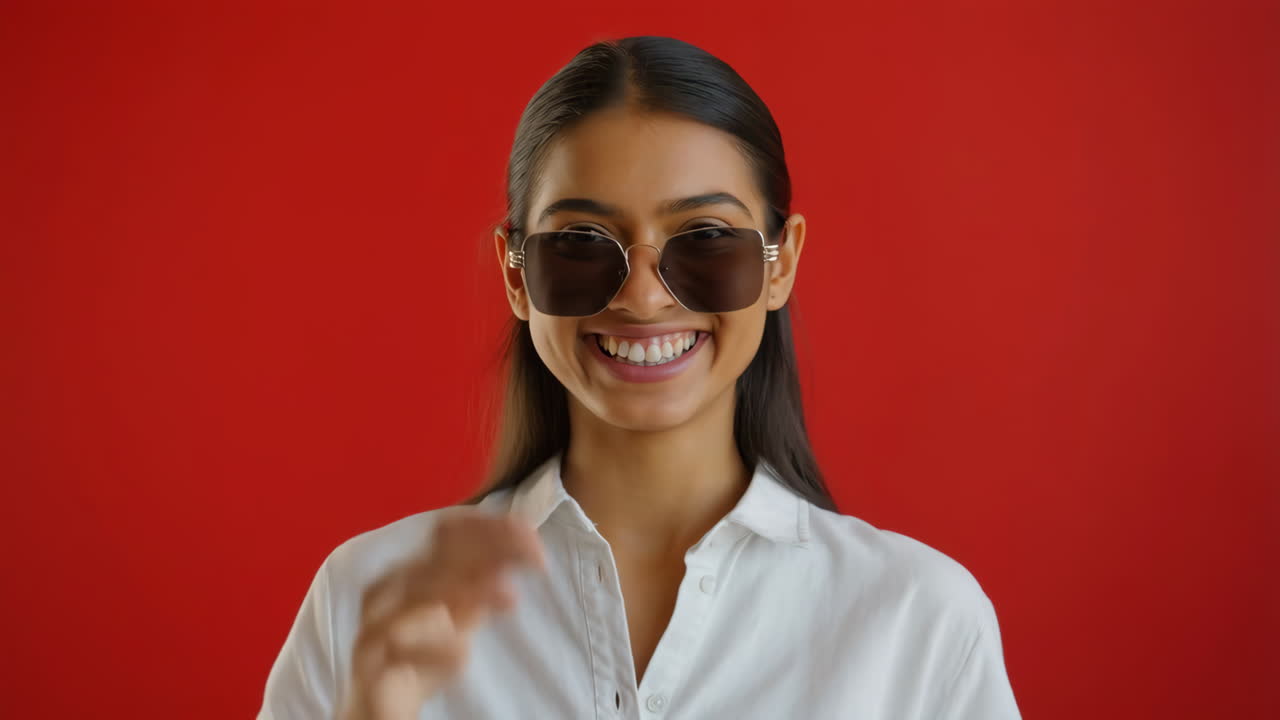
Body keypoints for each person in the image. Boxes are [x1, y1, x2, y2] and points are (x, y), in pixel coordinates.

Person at [258, 35, 1022, 720]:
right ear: (516, 275)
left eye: (706, 238)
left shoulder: (919, 621)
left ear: (780, 261)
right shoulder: (365, 602)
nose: (645, 296)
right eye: (582, 242)